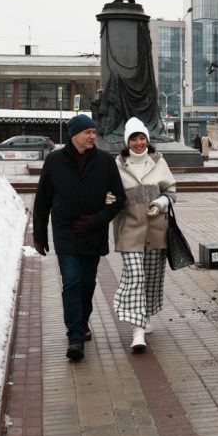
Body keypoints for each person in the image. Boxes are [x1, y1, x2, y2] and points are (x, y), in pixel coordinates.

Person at [33, 114, 126, 362]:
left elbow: (119, 198)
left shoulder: (105, 161)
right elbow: (42, 200)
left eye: (94, 132)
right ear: (74, 135)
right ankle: (75, 336)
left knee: (87, 283)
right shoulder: (54, 161)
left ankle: (82, 322)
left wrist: (97, 220)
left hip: (93, 232)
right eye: (88, 133)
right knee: (71, 282)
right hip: (65, 232)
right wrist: (39, 235)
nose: (93, 136)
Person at [113, 117, 177, 352]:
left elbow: (171, 192)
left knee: (151, 278)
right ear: (127, 141)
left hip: (156, 230)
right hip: (129, 230)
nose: (138, 143)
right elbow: (110, 194)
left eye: (142, 138)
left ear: (148, 140)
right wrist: (109, 200)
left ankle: (146, 316)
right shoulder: (117, 165)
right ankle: (137, 331)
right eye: (134, 139)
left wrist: (159, 204)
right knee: (136, 275)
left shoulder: (159, 162)